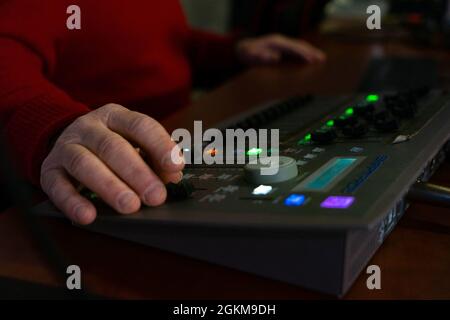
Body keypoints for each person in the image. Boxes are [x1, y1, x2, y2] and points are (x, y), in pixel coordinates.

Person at [0, 0, 326, 225]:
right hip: (111, 191)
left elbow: (164, 47)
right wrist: (57, 128)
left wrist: (233, 51)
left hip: (184, 154)